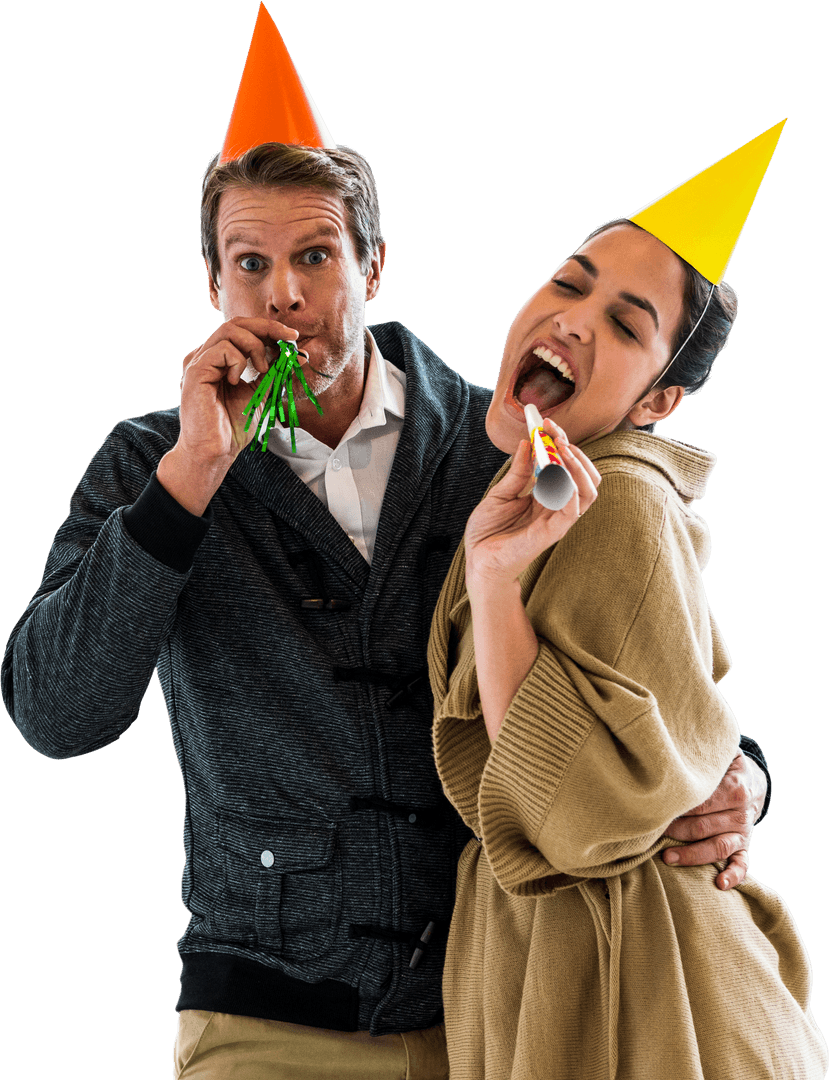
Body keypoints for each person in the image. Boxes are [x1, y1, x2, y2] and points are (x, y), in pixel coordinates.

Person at [1, 9, 772, 1079]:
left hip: (497, 1011)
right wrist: (189, 481)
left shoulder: (501, 446)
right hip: (261, 1023)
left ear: (372, 265)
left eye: (317, 254)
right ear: (212, 288)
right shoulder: (152, 468)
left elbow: (636, 662)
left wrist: (744, 770)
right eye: (250, 264)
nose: (284, 294)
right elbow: (57, 715)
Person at [427, 125, 828, 1078]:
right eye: (568, 283)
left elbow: (570, 807)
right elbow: (665, 717)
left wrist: (492, 580)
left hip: (640, 991)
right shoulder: (536, 482)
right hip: (593, 965)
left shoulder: (620, 507)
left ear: (657, 402)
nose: (573, 319)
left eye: (624, 324)